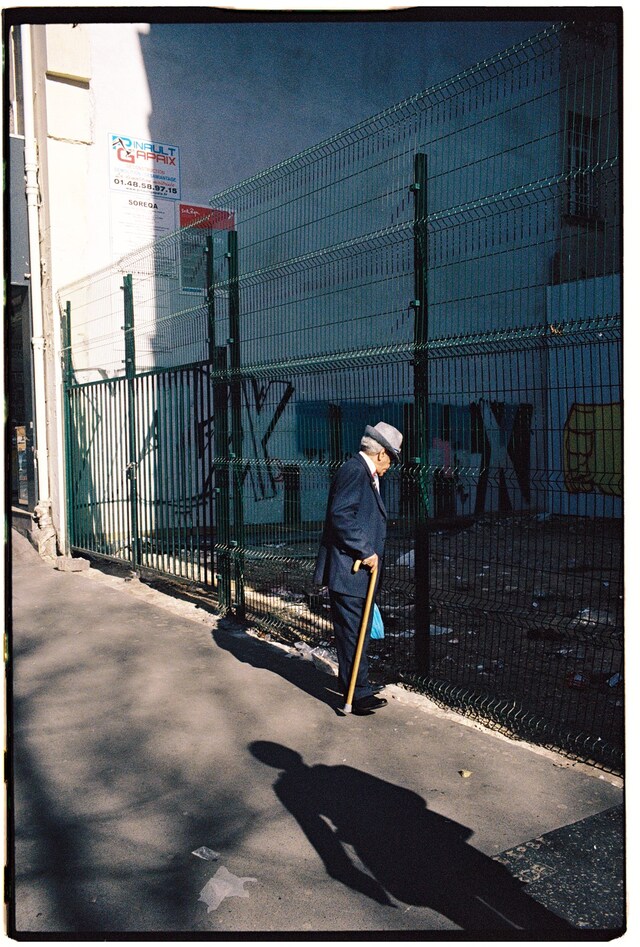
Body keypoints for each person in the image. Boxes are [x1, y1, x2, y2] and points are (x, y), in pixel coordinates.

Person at [314, 421, 402, 714]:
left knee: (355, 630)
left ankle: (353, 684)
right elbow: (341, 515)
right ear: (381, 454)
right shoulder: (355, 471)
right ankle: (358, 692)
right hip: (348, 569)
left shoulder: (363, 472)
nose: (391, 464)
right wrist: (366, 550)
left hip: (353, 570)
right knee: (353, 631)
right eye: (392, 457)